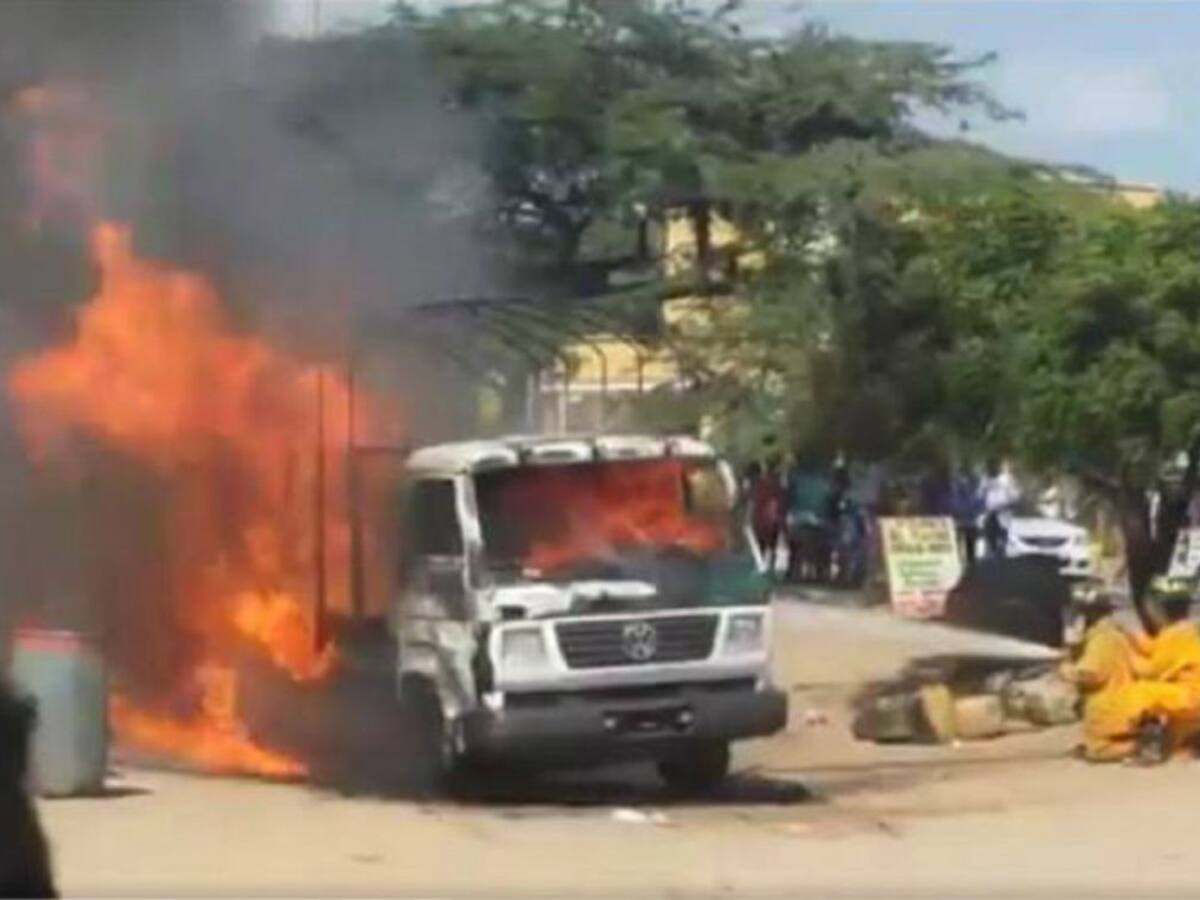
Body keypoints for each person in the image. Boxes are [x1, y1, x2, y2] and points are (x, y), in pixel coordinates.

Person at [1060, 587, 1142, 762]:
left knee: (1097, 752)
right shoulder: (1112, 633)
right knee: (1092, 747)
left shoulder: (1102, 638)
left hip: (1109, 708)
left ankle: (1141, 745)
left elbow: (1092, 674)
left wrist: (1067, 671)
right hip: (1121, 703)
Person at [1125, 577, 1200, 763]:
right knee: (1176, 740)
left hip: (1190, 698)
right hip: (1191, 696)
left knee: (1142, 691)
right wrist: (1130, 637)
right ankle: (1191, 742)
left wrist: (1127, 657)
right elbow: (1155, 648)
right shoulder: (1184, 631)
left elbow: (1151, 671)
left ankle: (1151, 747)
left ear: (1158, 610)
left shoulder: (1174, 636)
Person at [785, 454, 832, 583]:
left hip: (800, 518)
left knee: (795, 546)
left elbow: (789, 498)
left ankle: (795, 571)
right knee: (822, 547)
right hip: (819, 520)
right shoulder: (824, 481)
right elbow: (829, 501)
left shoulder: (797, 479)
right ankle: (820, 572)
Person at [747, 457, 784, 574]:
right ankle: (771, 567)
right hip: (773, 519)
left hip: (759, 520)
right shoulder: (777, 484)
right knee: (772, 547)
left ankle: (761, 568)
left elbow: (750, 501)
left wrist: (748, 517)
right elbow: (781, 501)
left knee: (761, 547)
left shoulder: (755, 485)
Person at [980, 458, 1019, 559]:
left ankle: (999, 556)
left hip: (1002, 516)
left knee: (1001, 543)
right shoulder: (986, 481)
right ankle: (991, 556)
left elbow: (1015, 499)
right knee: (990, 542)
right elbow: (981, 497)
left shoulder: (1009, 481)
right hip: (990, 515)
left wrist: (1002, 507)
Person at [950, 466, 984, 569]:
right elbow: (979, 508)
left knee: (966, 550)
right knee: (966, 550)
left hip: (966, 524)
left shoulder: (966, 493)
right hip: (965, 523)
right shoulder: (964, 494)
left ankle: (967, 566)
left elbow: (979, 508)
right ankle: (966, 565)